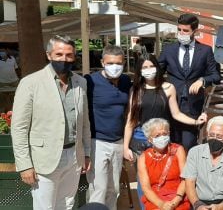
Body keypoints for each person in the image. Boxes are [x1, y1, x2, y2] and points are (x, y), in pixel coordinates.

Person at [11, 35, 91, 210]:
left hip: (74, 156)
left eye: (69, 55)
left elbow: (84, 122)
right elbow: (19, 128)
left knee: (68, 204)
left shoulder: (80, 82)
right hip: (44, 159)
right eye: (59, 54)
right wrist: (24, 165)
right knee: (44, 207)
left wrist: (86, 153)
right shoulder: (31, 83)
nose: (64, 59)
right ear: (49, 55)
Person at [123, 54, 206, 209]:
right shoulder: (136, 90)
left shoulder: (168, 88)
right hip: (140, 141)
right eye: (144, 67)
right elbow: (130, 121)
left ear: (157, 67)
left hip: (163, 139)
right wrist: (125, 147)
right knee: (144, 183)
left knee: (167, 178)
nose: (148, 70)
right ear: (139, 70)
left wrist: (196, 121)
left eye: (151, 66)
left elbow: (176, 114)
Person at [159, 13, 220, 150]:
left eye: (185, 30)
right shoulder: (169, 50)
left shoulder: (205, 50)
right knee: (169, 146)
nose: (181, 33)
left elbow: (216, 75)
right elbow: (158, 71)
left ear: (195, 31)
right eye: (179, 29)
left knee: (188, 145)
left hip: (192, 107)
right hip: (170, 104)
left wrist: (203, 80)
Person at [84, 45, 132, 210]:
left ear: (124, 62)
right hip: (97, 142)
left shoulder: (126, 81)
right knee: (99, 189)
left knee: (114, 189)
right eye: (110, 63)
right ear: (102, 62)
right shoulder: (90, 81)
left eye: (118, 63)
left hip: (118, 142)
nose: (115, 67)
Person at [181, 116, 223, 210]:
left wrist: (221, 206)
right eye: (211, 135)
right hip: (199, 201)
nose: (214, 139)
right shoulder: (195, 152)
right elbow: (189, 182)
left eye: (219, 137)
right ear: (207, 134)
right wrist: (198, 205)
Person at [138, 118, 190, 210]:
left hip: (178, 196)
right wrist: (161, 204)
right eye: (157, 135)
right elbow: (146, 188)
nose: (162, 137)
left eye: (164, 134)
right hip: (155, 199)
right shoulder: (143, 158)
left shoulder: (178, 150)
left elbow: (185, 179)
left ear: (169, 134)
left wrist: (176, 201)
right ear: (150, 139)